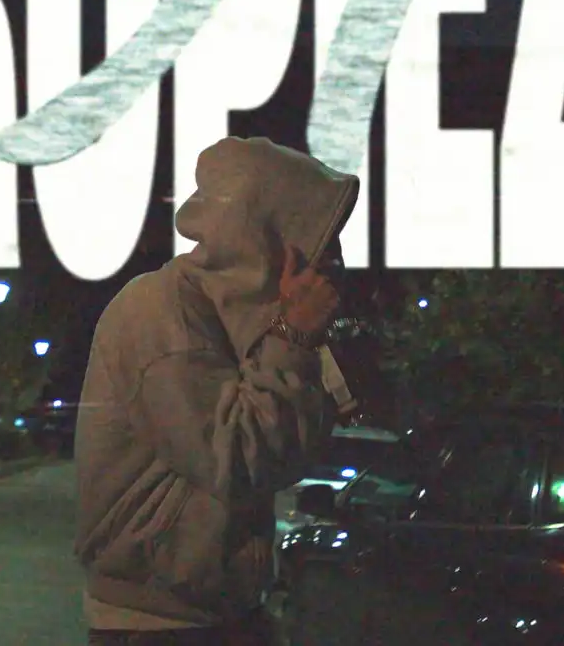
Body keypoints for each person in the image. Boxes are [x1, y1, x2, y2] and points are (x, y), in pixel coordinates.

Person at [75, 136, 360, 646]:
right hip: (157, 627)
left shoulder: (240, 322)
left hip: (222, 615)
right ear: (264, 234)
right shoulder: (162, 312)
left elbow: (292, 456)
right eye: (315, 238)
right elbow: (240, 458)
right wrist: (293, 337)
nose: (330, 260)